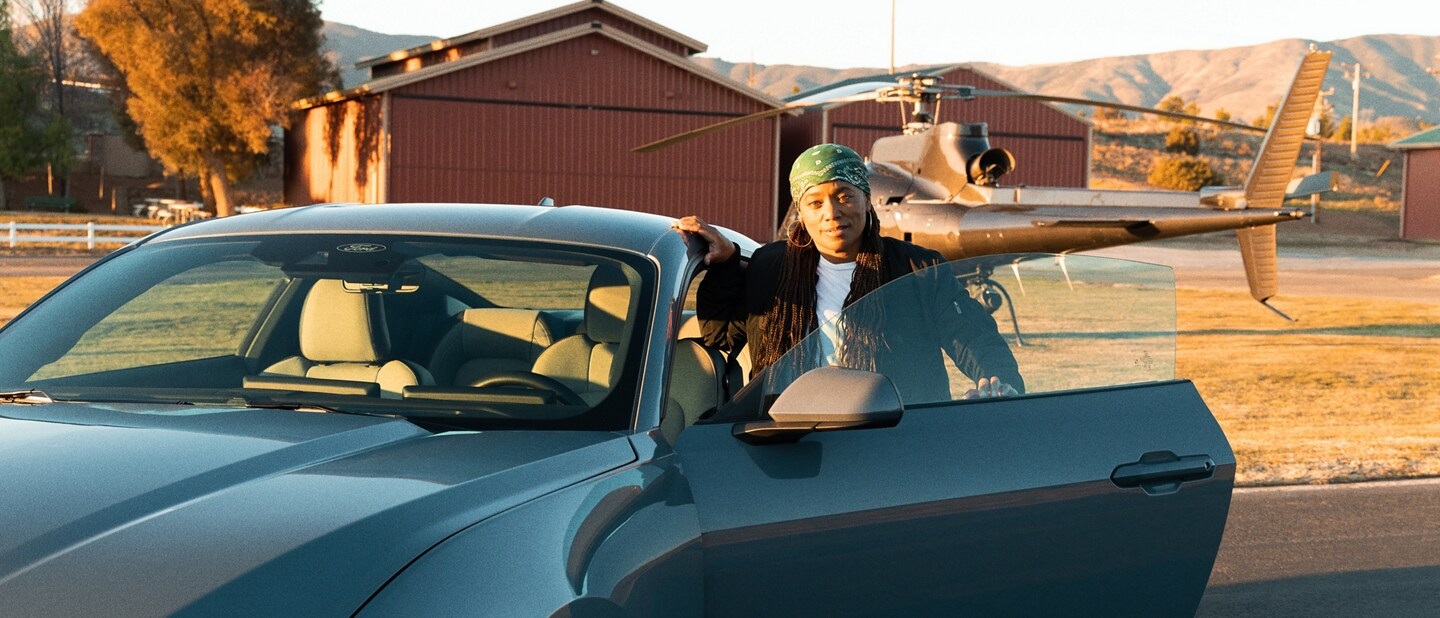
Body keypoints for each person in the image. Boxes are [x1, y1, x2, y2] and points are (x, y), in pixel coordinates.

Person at [673, 143, 1023, 401]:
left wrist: (997, 383)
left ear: (865, 199)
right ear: (801, 211)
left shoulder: (919, 270)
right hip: (787, 441)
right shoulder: (769, 267)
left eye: (844, 196)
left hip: (897, 439)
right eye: (815, 203)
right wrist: (727, 264)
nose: (831, 212)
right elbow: (723, 336)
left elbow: (976, 340)